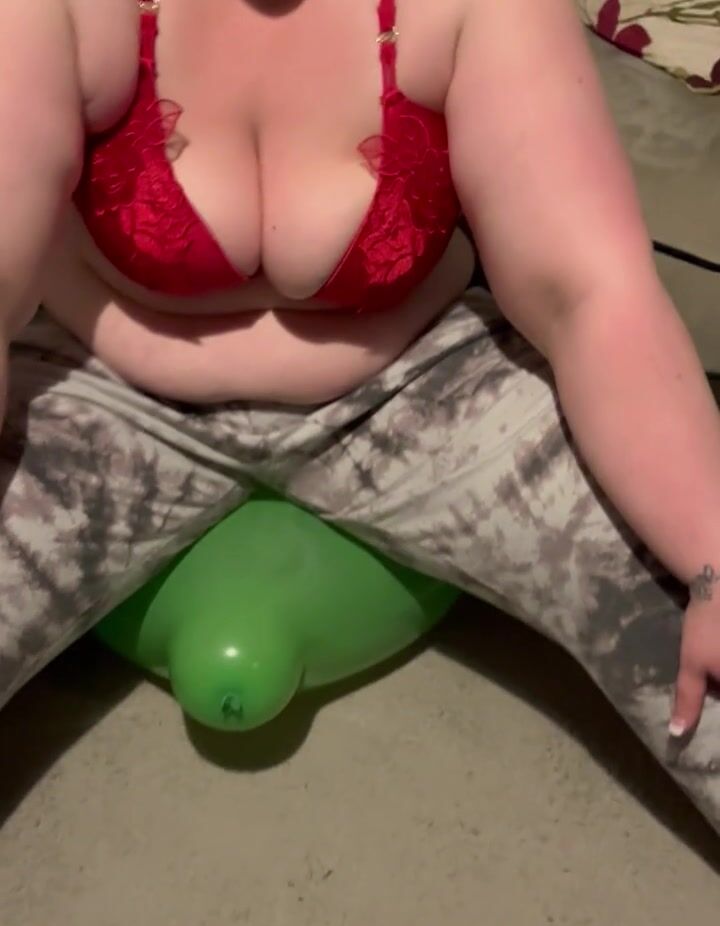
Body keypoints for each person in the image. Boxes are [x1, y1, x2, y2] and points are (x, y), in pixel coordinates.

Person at [1, 0, 719, 830]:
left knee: (702, 649)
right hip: (103, 386)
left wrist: (709, 557)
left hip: (418, 383)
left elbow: (588, 293)